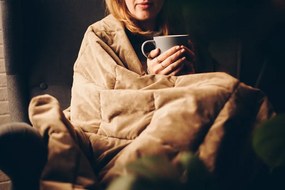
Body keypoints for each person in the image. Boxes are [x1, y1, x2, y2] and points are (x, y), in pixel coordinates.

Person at [0, 0, 275, 190]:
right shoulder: (99, 36)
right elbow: (94, 109)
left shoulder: (187, 35)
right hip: (118, 138)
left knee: (232, 98)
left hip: (183, 126)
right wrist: (152, 80)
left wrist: (188, 78)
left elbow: (210, 95)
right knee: (230, 92)